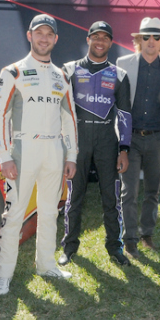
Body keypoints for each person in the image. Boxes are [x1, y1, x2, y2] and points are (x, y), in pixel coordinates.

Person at [0, 14, 78, 295]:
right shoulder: (13, 71)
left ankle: (46, 264)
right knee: (15, 213)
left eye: (48, 34)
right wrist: (4, 155)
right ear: (30, 36)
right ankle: (4, 275)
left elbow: (70, 119)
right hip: (22, 150)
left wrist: (71, 155)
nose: (43, 38)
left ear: (55, 39)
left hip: (54, 150)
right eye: (38, 33)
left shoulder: (61, 76)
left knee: (50, 211)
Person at [58, 21, 132, 267]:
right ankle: (69, 248)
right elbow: (59, 108)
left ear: (110, 42)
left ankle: (115, 247)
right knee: (74, 196)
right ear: (88, 39)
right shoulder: (68, 69)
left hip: (106, 140)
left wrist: (124, 149)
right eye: (96, 37)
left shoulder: (119, 75)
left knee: (110, 197)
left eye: (105, 38)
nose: (100, 42)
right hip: (77, 139)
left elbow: (124, 114)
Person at [116, 17, 160, 258]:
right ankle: (129, 240)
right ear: (138, 40)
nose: (151, 41)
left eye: (156, 36)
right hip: (130, 139)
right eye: (146, 36)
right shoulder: (122, 63)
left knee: (153, 190)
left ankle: (147, 235)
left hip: (156, 139)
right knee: (128, 191)